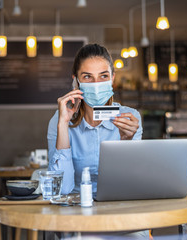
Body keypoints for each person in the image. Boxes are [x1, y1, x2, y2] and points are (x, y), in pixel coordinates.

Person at [47, 44, 148, 238]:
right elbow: (62, 189)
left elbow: (131, 185)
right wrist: (63, 125)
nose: (96, 84)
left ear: (112, 78)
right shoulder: (59, 120)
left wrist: (127, 142)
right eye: (87, 77)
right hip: (76, 213)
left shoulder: (130, 118)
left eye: (103, 76)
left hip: (120, 210)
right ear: (76, 82)